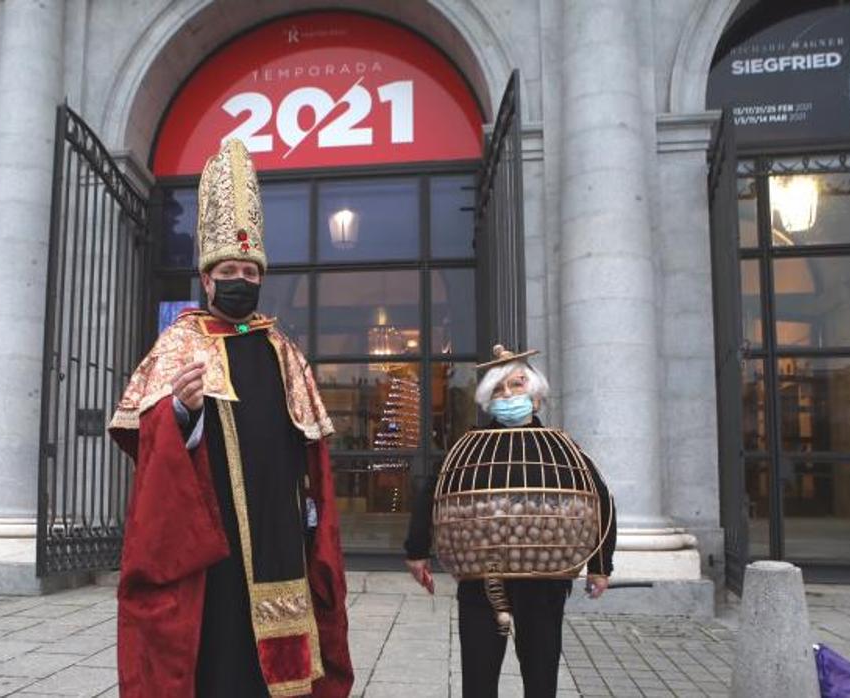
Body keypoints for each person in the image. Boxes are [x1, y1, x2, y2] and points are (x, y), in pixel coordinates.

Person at [109, 140, 352, 698]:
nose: (240, 278)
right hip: (213, 546)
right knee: (222, 659)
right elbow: (146, 442)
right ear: (207, 278)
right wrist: (181, 411)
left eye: (250, 269)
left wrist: (312, 517)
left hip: (282, 533)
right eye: (228, 269)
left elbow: (311, 448)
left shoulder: (282, 348)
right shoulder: (179, 343)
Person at [404, 345, 617, 698]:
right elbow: (433, 493)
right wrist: (416, 551)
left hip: (544, 575)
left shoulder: (562, 450)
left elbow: (600, 500)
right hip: (481, 575)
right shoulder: (471, 448)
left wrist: (599, 565)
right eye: (499, 390)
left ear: (535, 397)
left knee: (540, 671)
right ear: (488, 400)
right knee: (478, 673)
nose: (508, 395)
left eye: (516, 386)